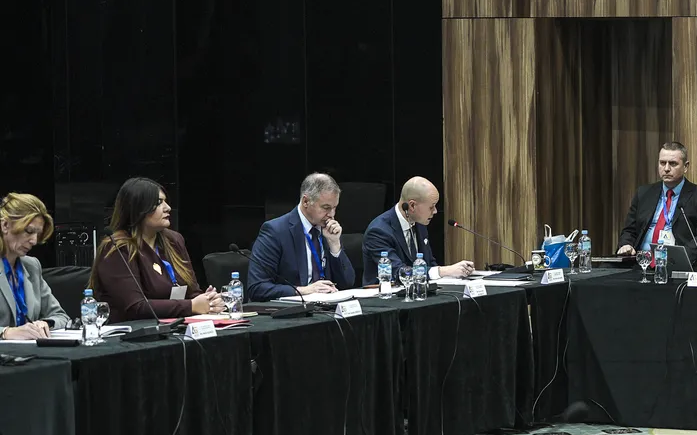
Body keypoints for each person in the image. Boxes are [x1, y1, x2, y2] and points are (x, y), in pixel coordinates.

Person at [90, 177, 225, 320]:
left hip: (175, 326)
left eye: (166, 201)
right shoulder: (117, 248)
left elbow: (192, 292)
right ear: (138, 209)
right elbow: (135, 307)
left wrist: (208, 300)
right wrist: (191, 306)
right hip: (130, 330)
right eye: (159, 203)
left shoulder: (174, 240)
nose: (168, 208)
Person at [245, 173, 357, 301]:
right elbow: (257, 288)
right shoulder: (275, 231)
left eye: (334, 208)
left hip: (327, 306)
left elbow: (348, 282)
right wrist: (303, 291)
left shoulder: (329, 230)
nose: (332, 214)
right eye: (326, 208)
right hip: (292, 309)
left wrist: (335, 246)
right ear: (306, 201)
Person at [617, 141, 697, 272]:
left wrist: (679, 258)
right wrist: (626, 244)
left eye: (673, 164)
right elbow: (629, 230)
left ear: (686, 167)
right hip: (640, 263)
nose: (666, 168)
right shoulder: (644, 193)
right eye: (662, 163)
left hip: (678, 265)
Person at [362, 177, 474, 285]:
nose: (435, 211)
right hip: (384, 294)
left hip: (418, 291)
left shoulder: (419, 223)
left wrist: (454, 274)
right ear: (412, 205)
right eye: (431, 207)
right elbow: (398, 272)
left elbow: (429, 263)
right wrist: (444, 271)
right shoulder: (378, 232)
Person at [0, 192, 72, 339]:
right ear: (5, 225)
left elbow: (60, 316)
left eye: (37, 234)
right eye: (29, 231)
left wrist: (45, 323)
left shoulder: (31, 265)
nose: (33, 241)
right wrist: (5, 332)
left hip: (29, 350)